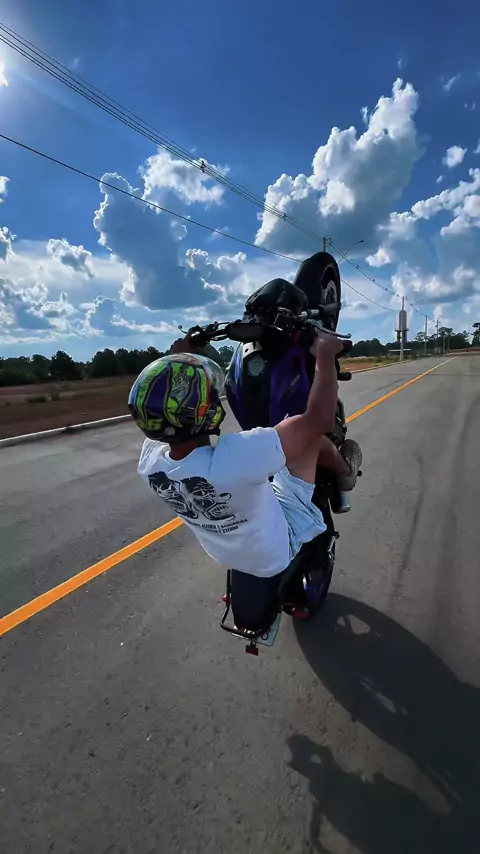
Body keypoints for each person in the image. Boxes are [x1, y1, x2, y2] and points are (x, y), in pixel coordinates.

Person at [128, 330, 362, 629]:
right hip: (278, 548)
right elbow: (318, 419)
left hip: (226, 551)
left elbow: (163, 411)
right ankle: (345, 473)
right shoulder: (236, 457)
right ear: (205, 411)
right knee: (311, 440)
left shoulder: (151, 464)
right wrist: (326, 354)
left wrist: (180, 358)